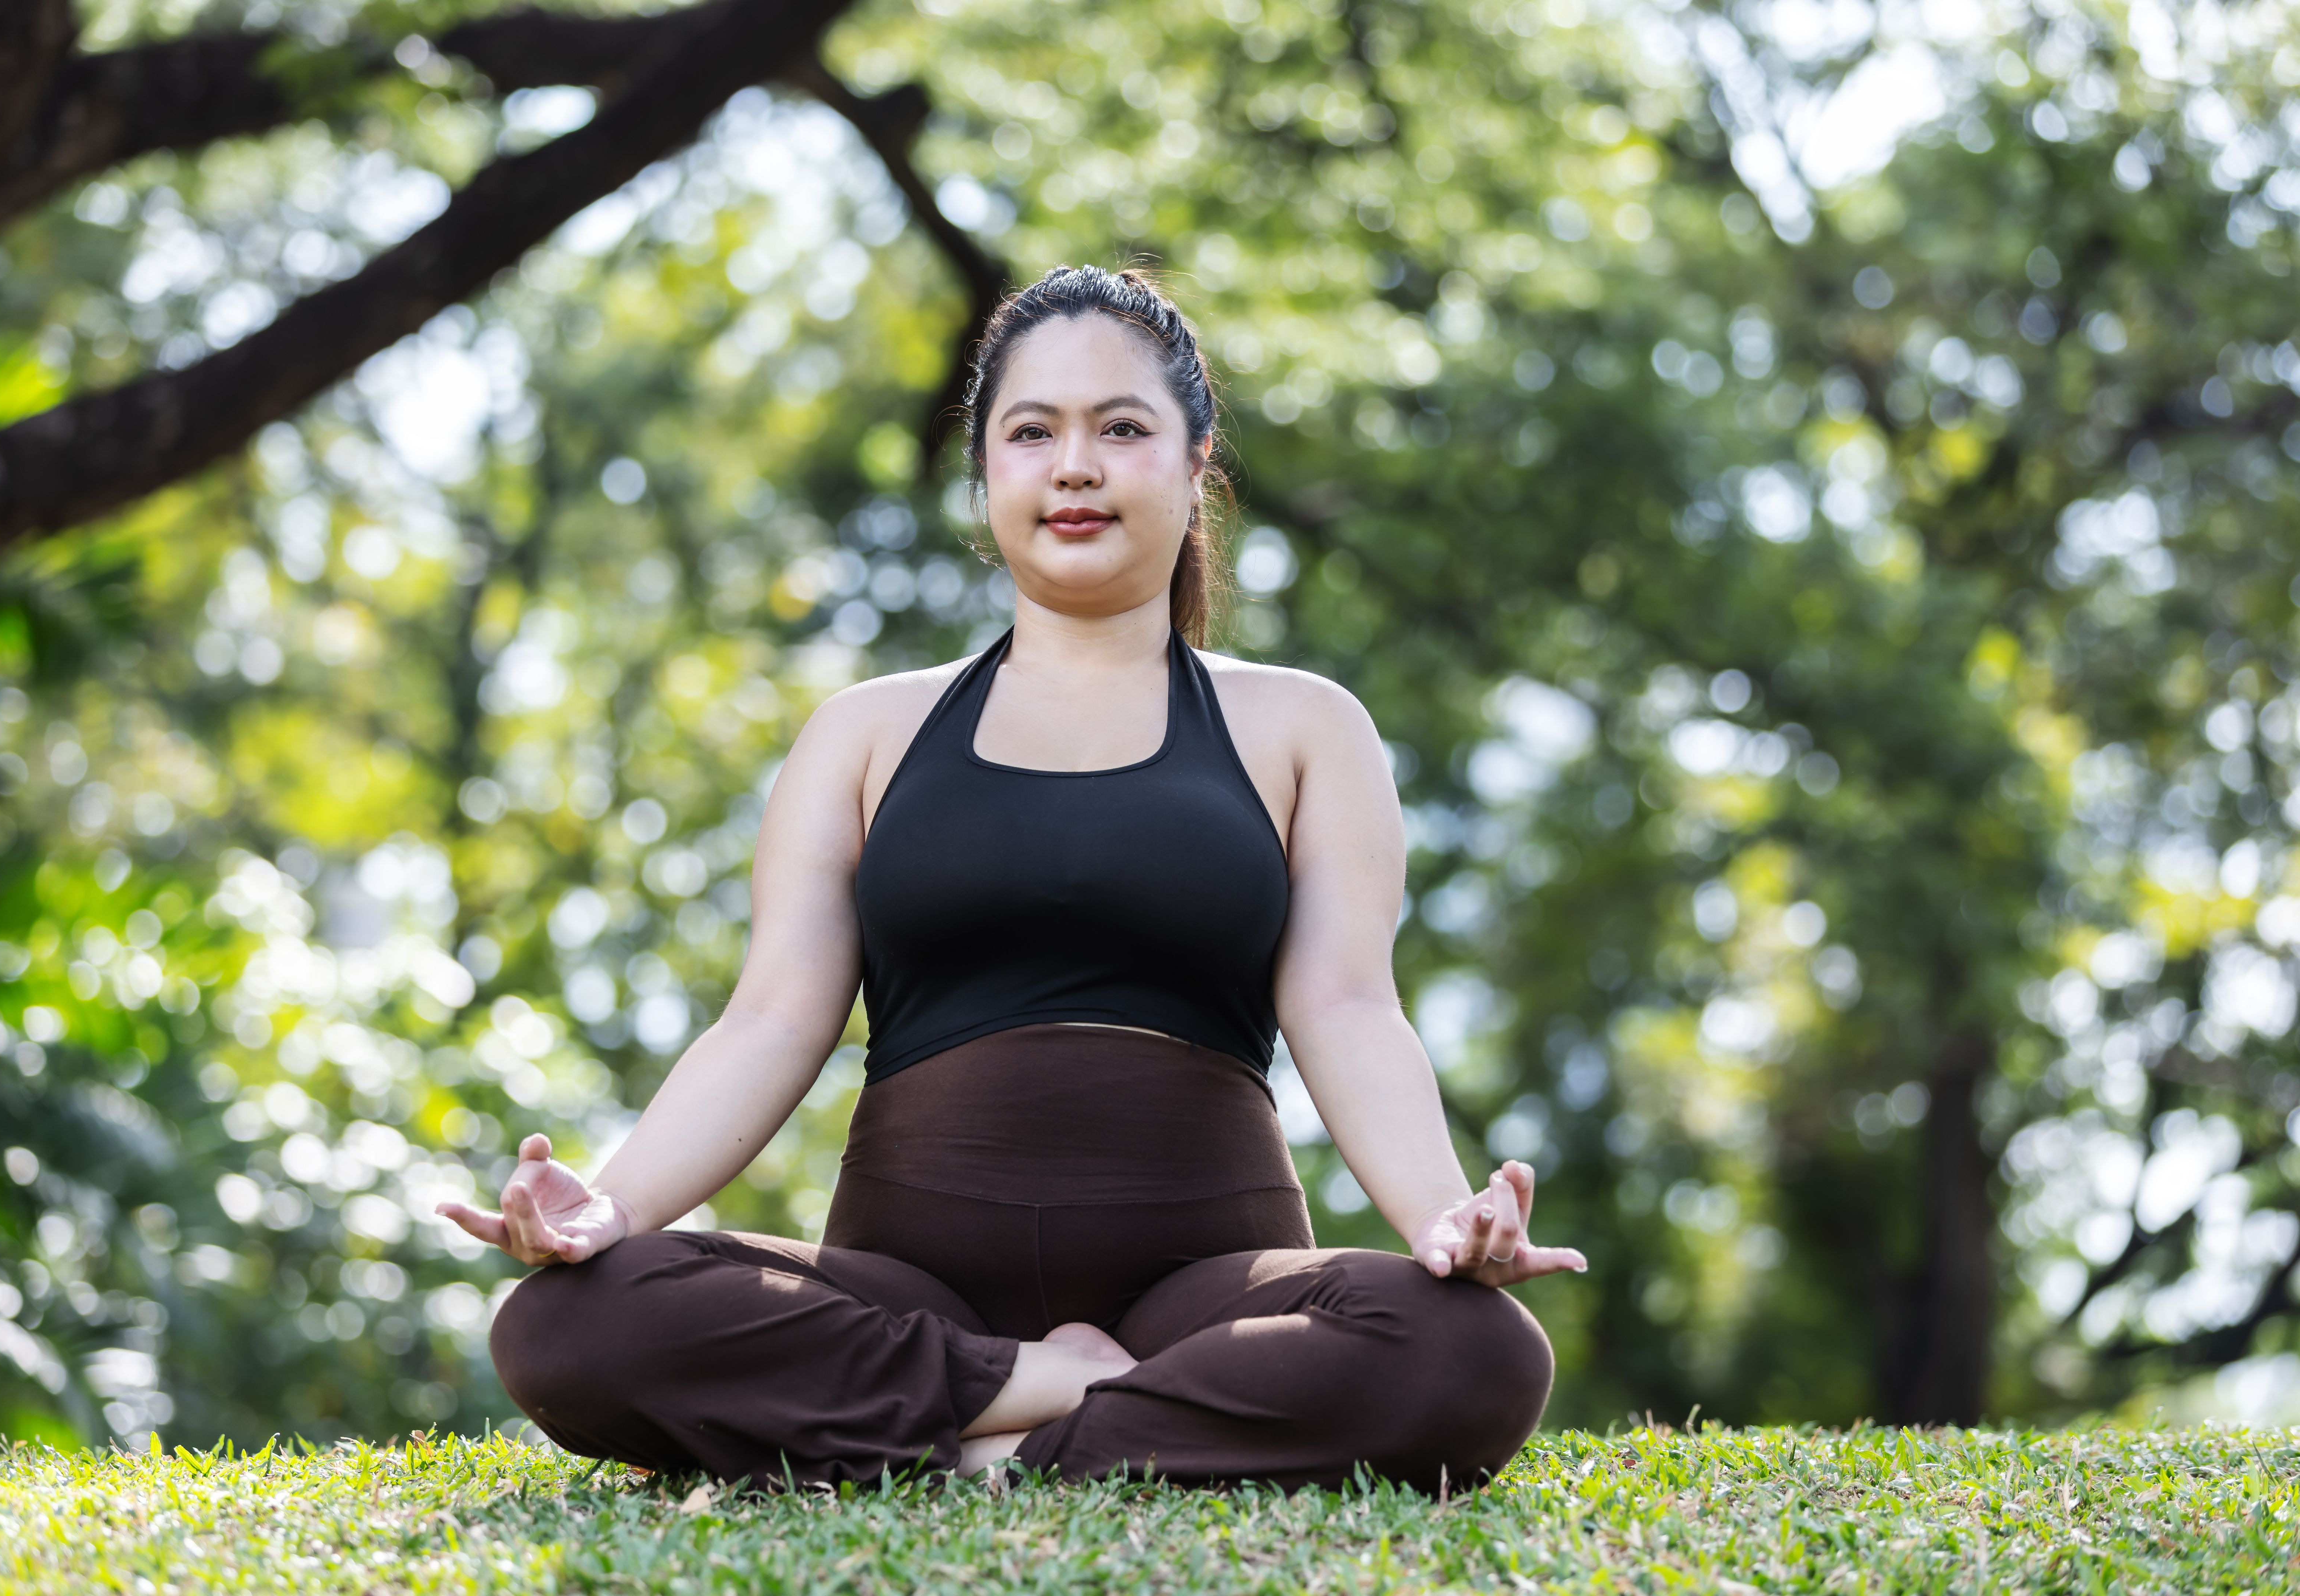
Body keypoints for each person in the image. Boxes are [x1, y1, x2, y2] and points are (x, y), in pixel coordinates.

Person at [439, 264, 1584, 1491]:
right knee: (568, 1322)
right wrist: (607, 1211)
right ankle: (1077, 1405)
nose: (1073, 467)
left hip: (1208, 1290)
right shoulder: (866, 733)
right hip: (911, 1290)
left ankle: (986, 1448)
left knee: (1473, 1352)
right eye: (1031, 432)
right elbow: (771, 1018)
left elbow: (1351, 1006)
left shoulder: (1305, 727)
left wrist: (1435, 1218)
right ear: (986, 472)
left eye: (1122, 429)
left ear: (1197, 460)